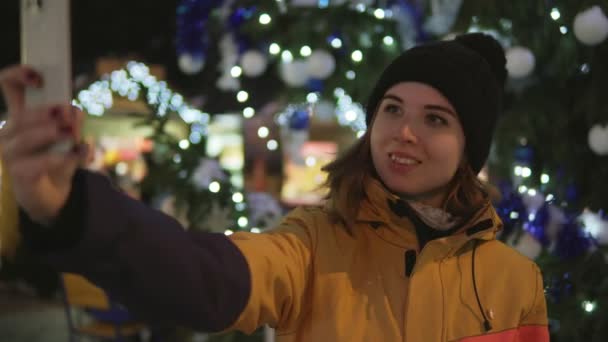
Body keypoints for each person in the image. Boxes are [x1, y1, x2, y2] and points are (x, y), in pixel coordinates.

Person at [0, 33, 549, 341]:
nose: (404, 131)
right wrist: (74, 208)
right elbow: (209, 278)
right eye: (392, 108)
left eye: (436, 119)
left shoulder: (515, 280)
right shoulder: (314, 243)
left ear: (468, 150)